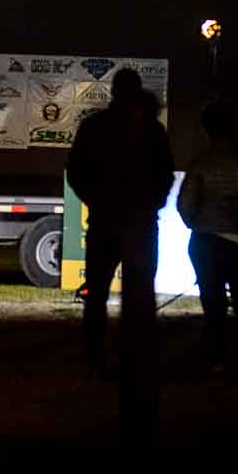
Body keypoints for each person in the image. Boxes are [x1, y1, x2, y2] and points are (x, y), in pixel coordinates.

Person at [65, 68, 174, 437]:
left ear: (112, 92)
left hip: (105, 219)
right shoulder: (151, 129)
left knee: (96, 291)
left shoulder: (94, 126)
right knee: (139, 294)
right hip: (141, 220)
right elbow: (165, 173)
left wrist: (96, 200)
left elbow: (75, 170)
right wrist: (152, 203)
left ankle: (95, 359)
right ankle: (137, 360)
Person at [176, 100, 238, 378]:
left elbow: (185, 204)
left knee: (213, 301)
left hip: (207, 242)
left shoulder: (201, 162)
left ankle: (217, 357)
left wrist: (199, 225)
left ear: (207, 129)